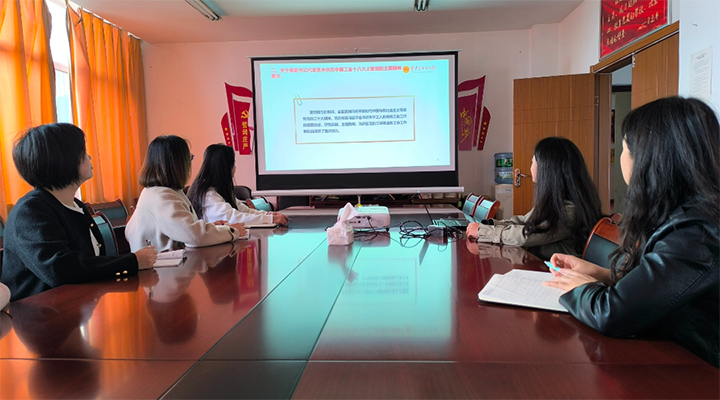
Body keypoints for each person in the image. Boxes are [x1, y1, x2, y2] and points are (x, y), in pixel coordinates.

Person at [545, 96, 720, 368]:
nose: (622, 158)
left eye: (625, 147)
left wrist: (579, 288)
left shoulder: (695, 233)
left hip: (696, 373)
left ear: (651, 159)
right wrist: (600, 274)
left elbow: (611, 313)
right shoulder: (685, 215)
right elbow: (658, 287)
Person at [1, 123, 157, 302]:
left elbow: (89, 263)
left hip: (75, 305)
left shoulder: (75, 205)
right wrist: (132, 261)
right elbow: (60, 269)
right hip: (39, 313)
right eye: (83, 153)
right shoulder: (30, 211)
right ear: (63, 160)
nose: (89, 157)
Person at [466, 137, 602, 260]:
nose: (530, 168)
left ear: (546, 171)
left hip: (556, 273)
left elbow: (525, 236)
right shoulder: (556, 203)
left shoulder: (568, 211)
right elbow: (524, 221)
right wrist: (489, 225)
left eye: (533, 162)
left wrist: (483, 232)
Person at [125, 135, 247, 253]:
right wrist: (231, 231)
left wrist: (211, 227)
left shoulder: (159, 192)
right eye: (189, 158)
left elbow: (184, 229)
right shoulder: (162, 197)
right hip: (162, 265)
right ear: (178, 164)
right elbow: (194, 236)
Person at [187, 144, 288, 226]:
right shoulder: (208, 194)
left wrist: (267, 215)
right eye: (233, 163)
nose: (235, 167)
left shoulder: (219, 189)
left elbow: (243, 210)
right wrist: (270, 219)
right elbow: (233, 218)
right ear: (226, 167)